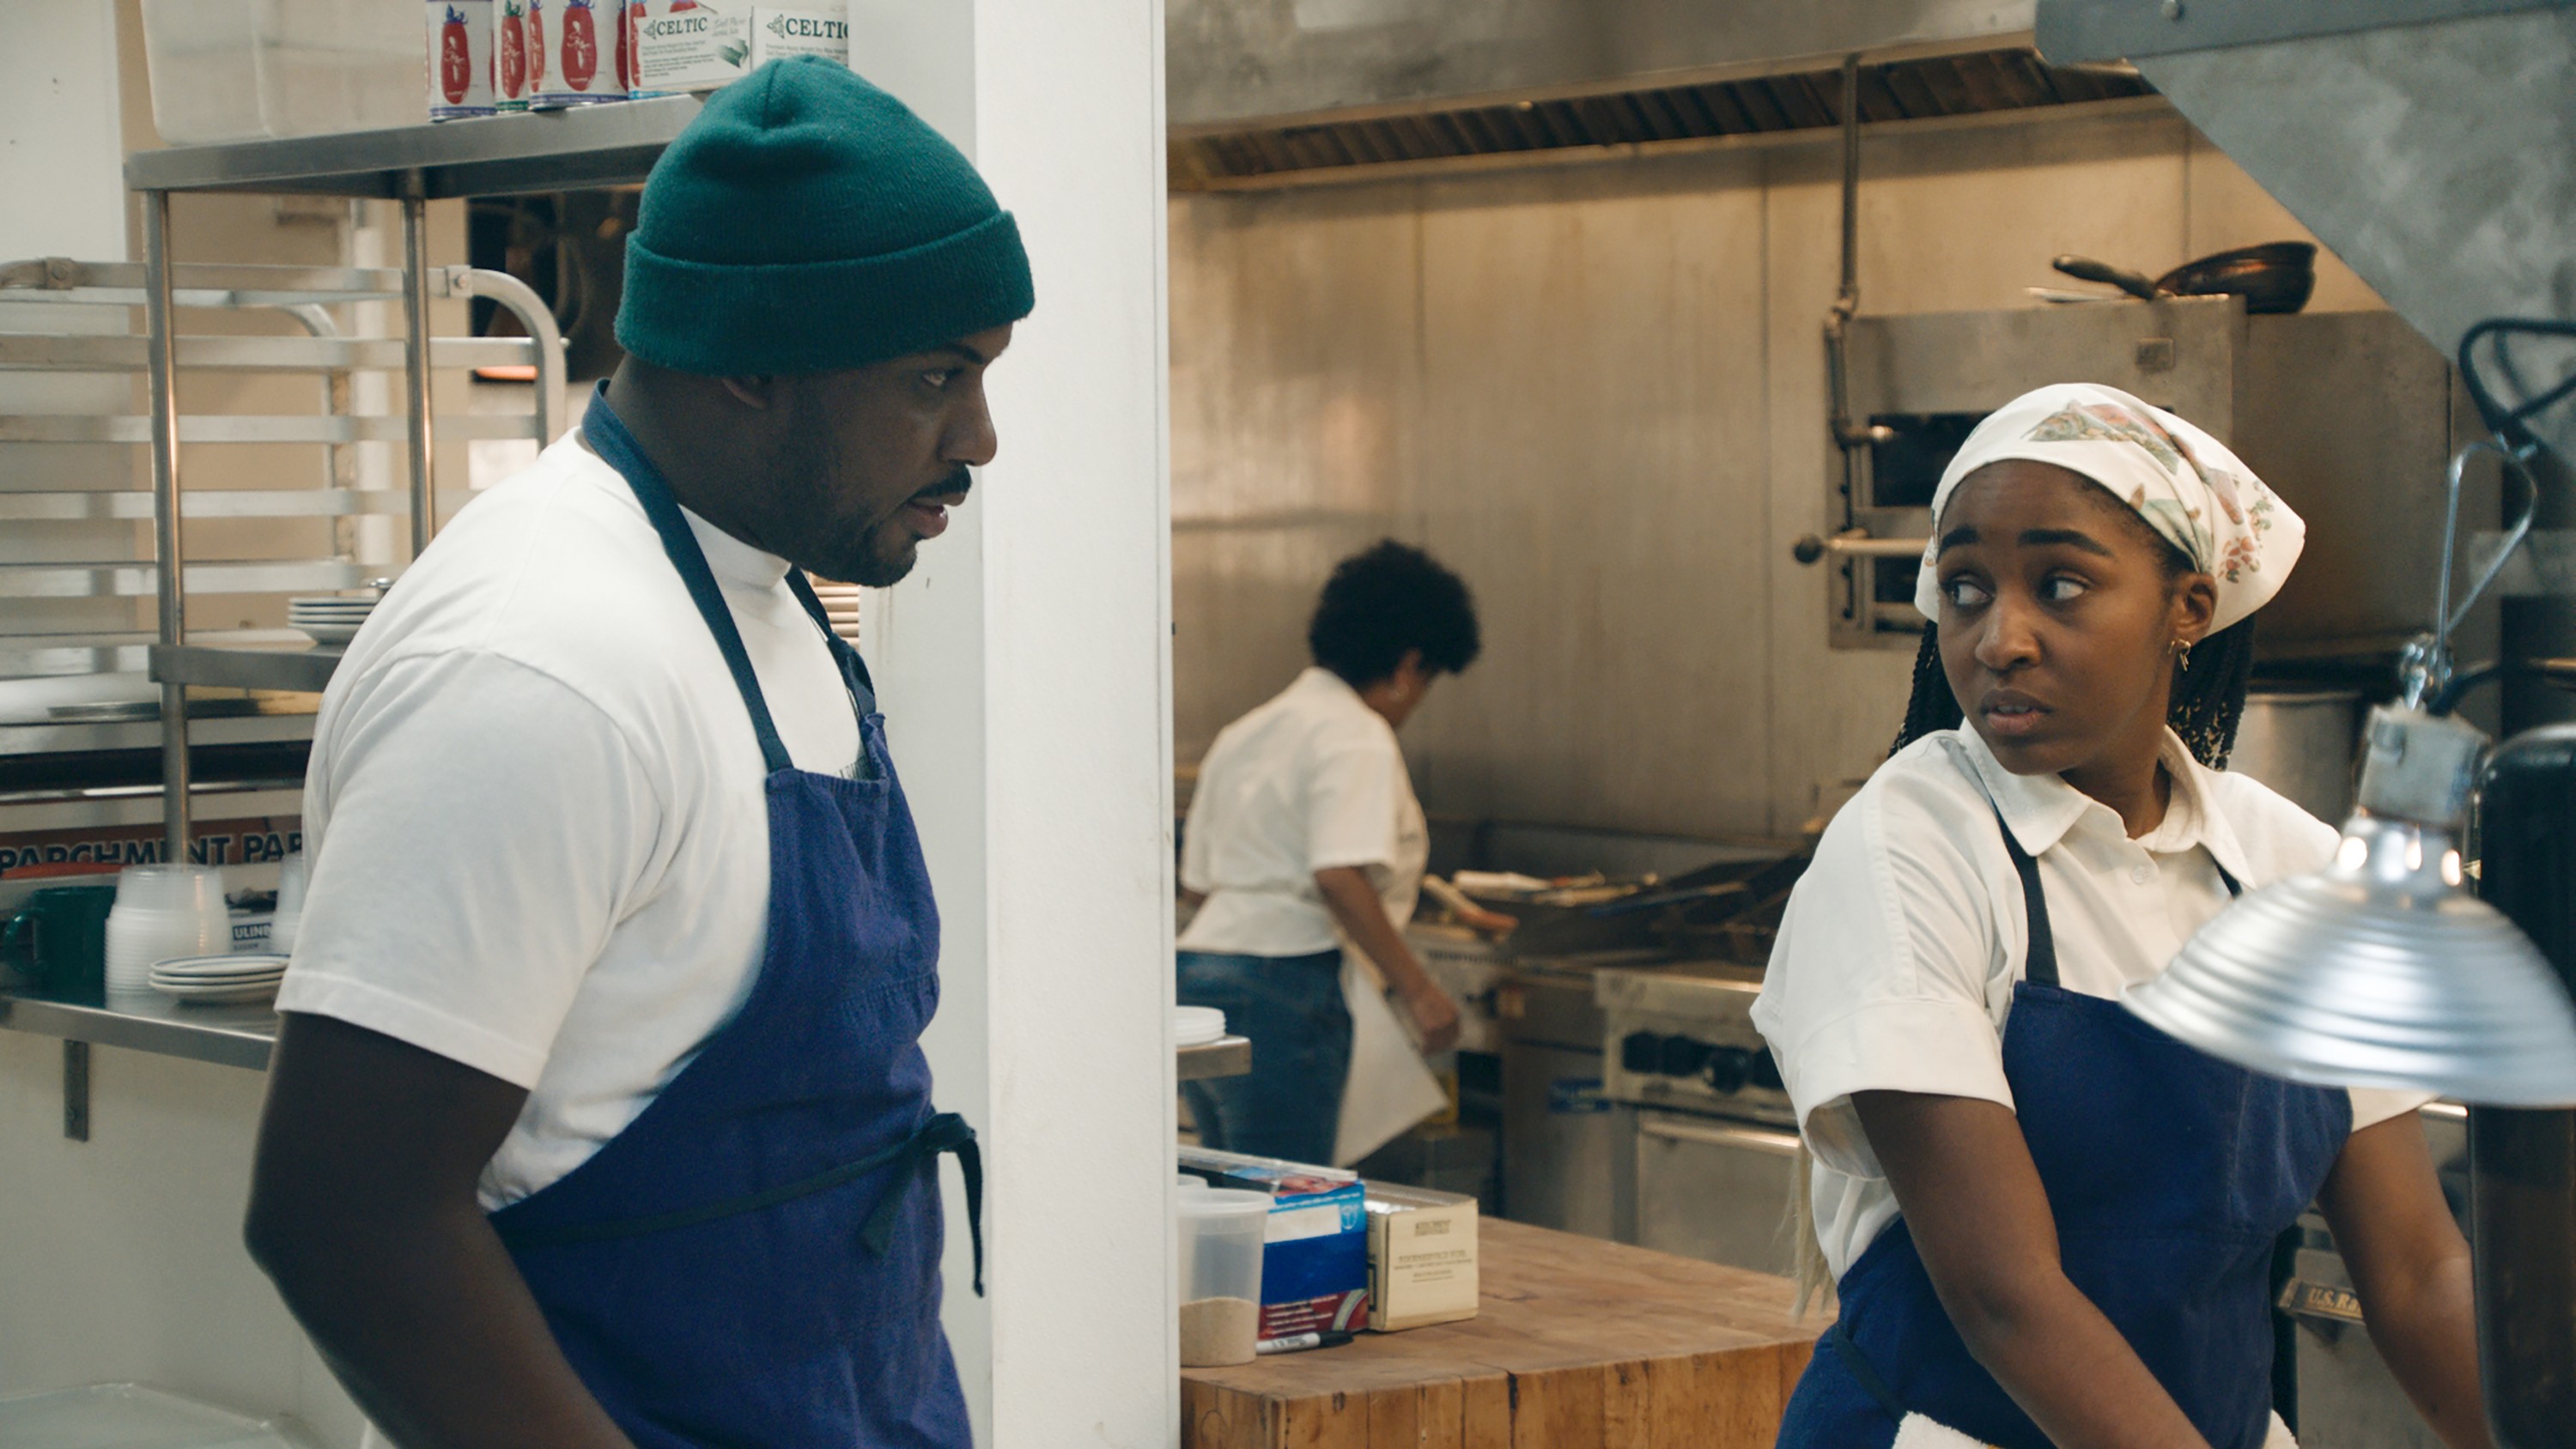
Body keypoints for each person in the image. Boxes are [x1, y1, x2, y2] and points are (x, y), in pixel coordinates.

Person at [240, 58, 1034, 1449]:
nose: (978, 439)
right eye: (934, 378)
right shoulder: (543, 668)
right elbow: (350, 1222)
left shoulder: (766, 595)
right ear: (751, 365)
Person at [1755, 385, 2491, 1449]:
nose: (2000, 637)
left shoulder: (2292, 866)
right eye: (1964, 589)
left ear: (2188, 606)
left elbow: (2422, 1273)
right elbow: (2007, 1294)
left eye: (2059, 585)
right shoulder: (1908, 845)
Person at [1176, 540, 1508, 1166]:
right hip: (1284, 982)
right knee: (1286, 1199)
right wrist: (1418, 989)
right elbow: (1338, 873)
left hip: (1197, 974)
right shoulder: (1357, 733)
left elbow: (1196, 886)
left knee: (1230, 1188)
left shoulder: (1247, 729)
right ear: (1409, 665)